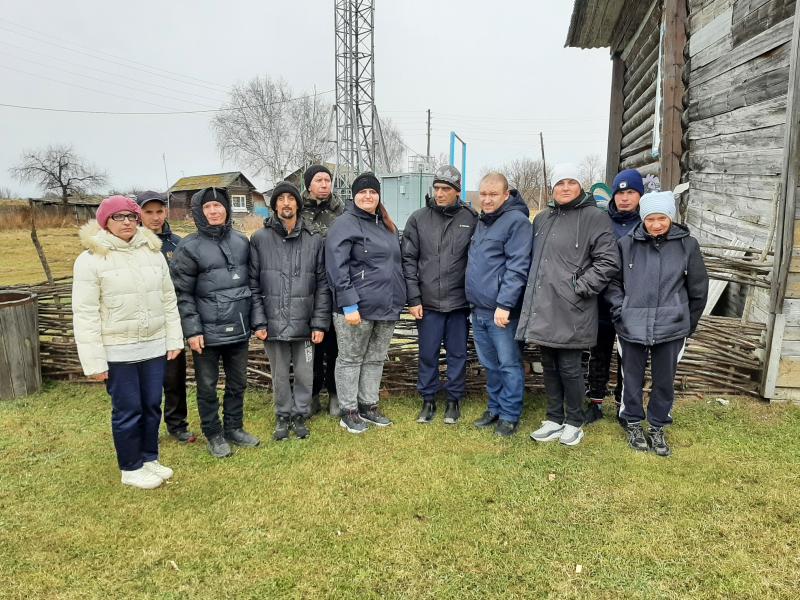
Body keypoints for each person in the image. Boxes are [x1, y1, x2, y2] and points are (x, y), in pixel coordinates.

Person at [72, 195, 183, 489]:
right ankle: (130, 467)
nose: (127, 223)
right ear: (105, 222)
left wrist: (173, 339)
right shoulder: (91, 260)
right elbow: (85, 314)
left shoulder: (153, 253)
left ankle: (149, 458)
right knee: (128, 408)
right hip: (118, 349)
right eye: (119, 217)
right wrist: (94, 361)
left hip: (152, 345)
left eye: (131, 217)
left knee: (151, 405)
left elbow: (168, 299)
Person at [517, 163, 619, 447]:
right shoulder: (543, 218)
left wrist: (579, 287)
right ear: (553, 189)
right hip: (545, 304)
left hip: (573, 306)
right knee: (548, 364)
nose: (564, 188)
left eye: (570, 183)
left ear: (581, 186)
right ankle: (553, 417)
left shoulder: (594, 218)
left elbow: (608, 261)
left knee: (570, 366)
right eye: (560, 183)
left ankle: (574, 421)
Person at [605, 191, 709, 456]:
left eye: (662, 218)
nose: (656, 224)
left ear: (670, 218)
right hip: (632, 325)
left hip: (671, 326)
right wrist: (621, 312)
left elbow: (698, 289)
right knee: (631, 379)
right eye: (651, 219)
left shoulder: (687, 245)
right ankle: (632, 422)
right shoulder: (627, 244)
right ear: (643, 219)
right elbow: (614, 283)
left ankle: (658, 426)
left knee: (664, 380)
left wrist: (688, 323)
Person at [170, 187, 260, 458]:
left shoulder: (241, 241)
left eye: (219, 206)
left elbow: (251, 284)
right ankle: (214, 433)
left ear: (226, 209)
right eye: (208, 207)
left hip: (238, 326)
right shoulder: (189, 247)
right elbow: (182, 293)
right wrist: (193, 330)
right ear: (199, 212)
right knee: (207, 385)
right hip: (207, 333)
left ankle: (234, 426)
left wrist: (253, 320)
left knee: (238, 383)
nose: (214, 211)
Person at [325, 172, 406, 434]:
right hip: (356, 308)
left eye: (373, 192)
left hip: (387, 306)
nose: (368, 196)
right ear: (354, 195)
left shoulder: (386, 225)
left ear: (378, 195)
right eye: (363, 192)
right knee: (350, 358)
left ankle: (368, 405)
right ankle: (348, 410)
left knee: (375, 359)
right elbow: (337, 268)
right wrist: (348, 304)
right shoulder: (344, 224)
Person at [250, 181, 331, 441]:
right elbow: (252, 283)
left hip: (304, 323)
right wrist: (259, 321)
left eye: (290, 198)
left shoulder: (313, 239)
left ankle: (300, 413)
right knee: (280, 373)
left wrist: (319, 324)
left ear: (298, 203)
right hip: (273, 321)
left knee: (306, 373)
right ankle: (283, 414)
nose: (286, 203)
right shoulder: (260, 239)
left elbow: (322, 284)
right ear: (274, 205)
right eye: (280, 199)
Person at [402, 165, 477, 424]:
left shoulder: (471, 219)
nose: (440, 193)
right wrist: (414, 298)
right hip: (428, 302)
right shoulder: (418, 218)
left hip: (458, 303)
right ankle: (428, 399)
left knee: (457, 353)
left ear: (457, 191)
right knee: (427, 353)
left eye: (446, 189)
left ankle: (454, 400)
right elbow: (408, 260)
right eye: (437, 188)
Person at [465, 173, 532, 437]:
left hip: (502, 312)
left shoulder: (517, 222)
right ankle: (494, 408)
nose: (487, 199)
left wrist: (504, 304)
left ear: (506, 195)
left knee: (509, 364)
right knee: (491, 365)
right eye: (483, 194)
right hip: (479, 310)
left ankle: (509, 414)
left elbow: (518, 266)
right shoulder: (483, 221)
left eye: (493, 194)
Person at [136, 190, 196, 443]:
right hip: (142, 321)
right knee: (143, 381)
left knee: (174, 378)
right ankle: (143, 427)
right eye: (148, 212)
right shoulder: (132, 244)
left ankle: (177, 424)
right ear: (138, 214)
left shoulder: (177, 244)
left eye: (159, 211)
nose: (155, 217)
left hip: (172, 320)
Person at [585, 169, 644, 424]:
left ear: (640, 195)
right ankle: (595, 402)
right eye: (620, 192)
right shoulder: (601, 221)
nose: (625, 198)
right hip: (600, 302)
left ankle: (623, 405)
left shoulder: (645, 223)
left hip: (632, 302)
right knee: (598, 354)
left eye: (630, 192)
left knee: (628, 357)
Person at [300, 165, 345, 417]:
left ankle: (335, 395)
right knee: (311, 347)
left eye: (327, 179)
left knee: (335, 346)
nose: (324, 184)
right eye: (319, 179)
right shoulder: (299, 210)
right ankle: (313, 394)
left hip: (335, 284)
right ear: (309, 185)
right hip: (306, 286)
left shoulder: (341, 211)